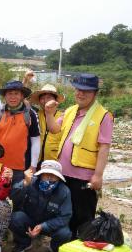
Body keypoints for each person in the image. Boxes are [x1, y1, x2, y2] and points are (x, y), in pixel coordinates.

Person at [44, 73, 113, 239]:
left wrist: (98, 175)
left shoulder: (104, 116)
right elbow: (55, 129)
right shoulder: (70, 111)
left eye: (86, 91)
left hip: (84, 177)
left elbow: (104, 147)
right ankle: (63, 245)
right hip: (63, 173)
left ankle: (81, 249)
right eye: (78, 90)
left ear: (95, 93)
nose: (81, 94)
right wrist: (48, 113)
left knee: (82, 215)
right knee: (63, 212)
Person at [0, 80, 40, 208]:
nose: (13, 97)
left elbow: (35, 140)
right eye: (9, 94)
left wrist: (33, 166)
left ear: (21, 96)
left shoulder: (30, 114)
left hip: (20, 166)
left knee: (17, 198)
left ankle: (13, 226)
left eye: (16, 93)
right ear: (5, 96)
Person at [10, 160, 72, 252]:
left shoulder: (64, 191)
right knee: (15, 218)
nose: (49, 177)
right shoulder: (31, 181)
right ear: (41, 174)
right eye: (46, 174)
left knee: (65, 233)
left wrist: (43, 226)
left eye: (53, 175)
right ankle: (24, 243)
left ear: (58, 177)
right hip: (31, 220)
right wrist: (25, 183)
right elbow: (13, 196)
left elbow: (65, 216)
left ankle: (54, 248)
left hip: (50, 225)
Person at [29, 84, 65, 165]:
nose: (45, 100)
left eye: (49, 97)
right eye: (42, 98)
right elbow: (24, 104)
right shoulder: (36, 114)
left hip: (55, 162)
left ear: (55, 100)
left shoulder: (63, 117)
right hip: (36, 161)